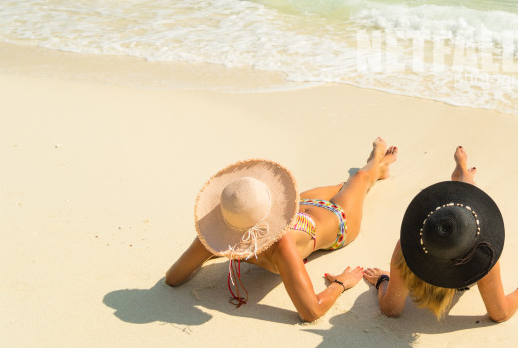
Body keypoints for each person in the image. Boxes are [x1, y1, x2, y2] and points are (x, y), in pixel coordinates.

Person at [166, 137, 396, 322]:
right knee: (359, 178)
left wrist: (210, 251)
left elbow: (174, 277)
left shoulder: (218, 236)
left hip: (303, 207)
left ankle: (378, 164)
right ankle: (378, 162)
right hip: (338, 219)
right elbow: (311, 312)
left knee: (350, 183)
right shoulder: (282, 245)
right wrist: (341, 284)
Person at [363, 146, 518, 322]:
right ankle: (464, 178)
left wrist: (383, 280)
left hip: (443, 246)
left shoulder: (408, 249)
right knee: (465, 216)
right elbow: (500, 313)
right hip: (466, 252)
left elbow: (391, 309)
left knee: (457, 218)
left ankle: (463, 176)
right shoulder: (483, 254)